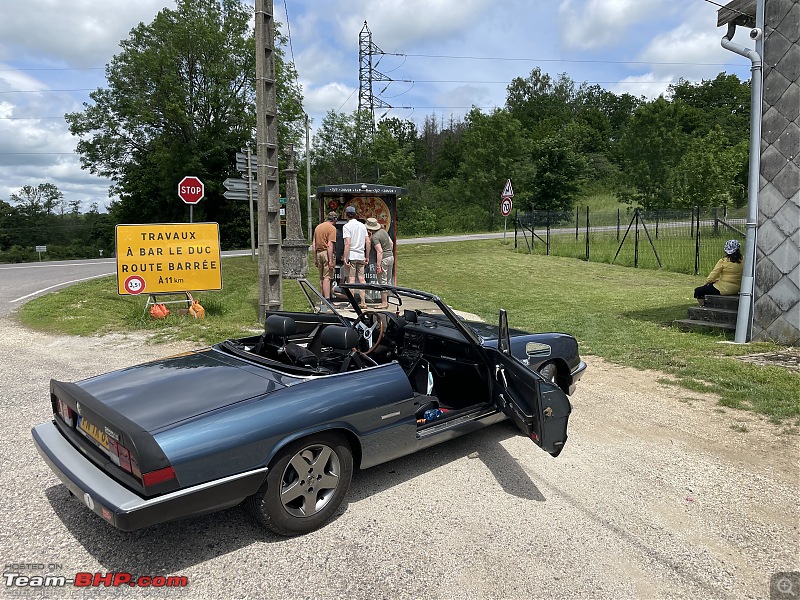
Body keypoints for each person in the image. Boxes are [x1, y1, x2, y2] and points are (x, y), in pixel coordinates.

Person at [694, 239, 743, 306]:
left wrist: (706, 283)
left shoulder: (723, 261)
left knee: (698, 291)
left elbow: (714, 274)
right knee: (713, 284)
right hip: (738, 287)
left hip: (724, 288)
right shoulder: (744, 260)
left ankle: (703, 306)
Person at [341, 205, 369, 309]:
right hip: (361, 255)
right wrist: (366, 256)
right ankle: (363, 302)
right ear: (355, 214)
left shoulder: (347, 226)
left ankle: (352, 303)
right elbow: (368, 241)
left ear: (346, 215)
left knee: (351, 279)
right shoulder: (362, 225)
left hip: (352, 255)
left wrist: (345, 257)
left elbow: (347, 243)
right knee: (362, 279)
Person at [365, 217, 394, 309]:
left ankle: (384, 303)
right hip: (390, 257)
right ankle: (387, 300)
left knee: (382, 281)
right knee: (388, 280)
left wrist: (378, 265)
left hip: (383, 259)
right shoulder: (384, 232)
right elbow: (391, 243)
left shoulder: (375, 237)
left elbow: (379, 251)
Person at [313, 211, 337, 303]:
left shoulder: (318, 227)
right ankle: (327, 300)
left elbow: (314, 244)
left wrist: (315, 258)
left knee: (321, 278)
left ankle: (321, 299)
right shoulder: (332, 228)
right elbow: (330, 245)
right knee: (327, 277)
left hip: (318, 253)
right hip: (326, 253)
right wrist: (331, 260)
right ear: (334, 219)